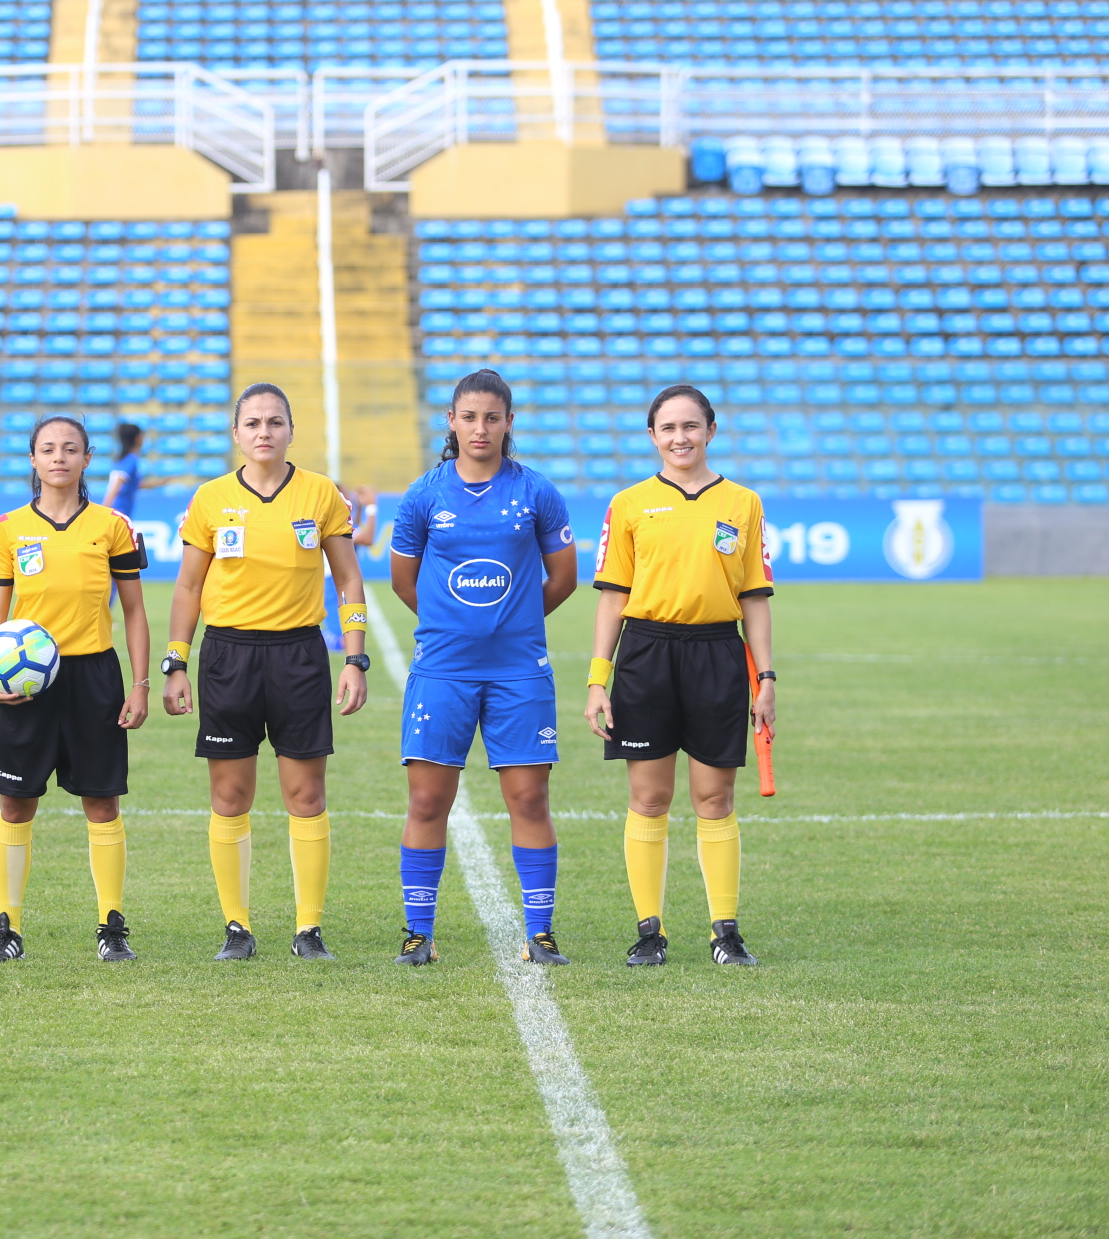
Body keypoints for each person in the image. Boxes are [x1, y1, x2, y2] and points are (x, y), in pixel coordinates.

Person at [162, 382, 369, 961]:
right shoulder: (209, 499)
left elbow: (349, 580)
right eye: (252, 423)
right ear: (236, 434)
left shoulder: (321, 494)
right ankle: (237, 927)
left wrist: (354, 657)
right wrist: (176, 660)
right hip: (227, 655)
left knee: (306, 793)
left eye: (274, 422)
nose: (263, 432)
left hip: (300, 655)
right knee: (231, 794)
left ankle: (308, 929)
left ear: (291, 431)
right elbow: (187, 586)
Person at [389, 369, 578, 967]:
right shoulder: (423, 495)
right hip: (443, 670)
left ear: (509, 423)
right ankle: (418, 933)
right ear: (451, 421)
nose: (480, 428)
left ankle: (540, 934)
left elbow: (564, 578)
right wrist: (454, 626)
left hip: (519, 671)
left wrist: (513, 620)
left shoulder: (537, 492)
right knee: (426, 801)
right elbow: (402, 579)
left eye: (492, 418)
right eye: (469, 417)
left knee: (528, 799)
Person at [583, 384, 775, 968]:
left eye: (691, 426)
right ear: (652, 436)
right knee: (649, 797)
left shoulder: (743, 503)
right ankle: (650, 931)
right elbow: (613, 598)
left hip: (718, 654)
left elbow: (756, 598)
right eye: (668, 428)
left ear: (710, 431)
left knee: (714, 796)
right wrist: (598, 679)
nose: (680, 438)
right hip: (646, 655)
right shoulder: (630, 503)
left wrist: (766, 677)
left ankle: (725, 932)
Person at [0, 415, 152, 963]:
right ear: (33, 458)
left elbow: (136, 611)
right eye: (48, 449)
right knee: (15, 805)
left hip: (93, 677)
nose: (59, 457)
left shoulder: (113, 526)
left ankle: (111, 925)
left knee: (102, 803)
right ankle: (8, 928)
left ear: (86, 459)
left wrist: (140, 684)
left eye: (70, 449)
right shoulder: (7, 529)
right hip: (22, 684)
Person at [322, 484, 378, 652]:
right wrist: (371, 507)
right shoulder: (336, 525)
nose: (349, 501)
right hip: (332, 581)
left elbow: (354, 526)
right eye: (345, 497)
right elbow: (367, 539)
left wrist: (360, 507)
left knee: (346, 636)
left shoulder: (329, 521)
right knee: (344, 642)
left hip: (330, 580)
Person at [103, 422, 145, 518]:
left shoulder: (123, 459)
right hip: (119, 510)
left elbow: (135, 484)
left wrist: (161, 482)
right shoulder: (131, 460)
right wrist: (105, 508)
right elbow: (118, 482)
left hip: (120, 510)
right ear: (138, 438)